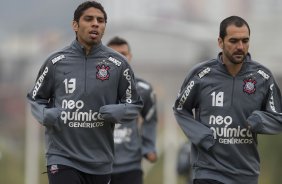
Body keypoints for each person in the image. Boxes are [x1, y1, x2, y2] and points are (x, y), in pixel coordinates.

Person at [26, 1, 143, 184]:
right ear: (75, 25)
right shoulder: (55, 62)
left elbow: (134, 104)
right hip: (62, 156)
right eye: (89, 19)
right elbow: (35, 98)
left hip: (100, 161)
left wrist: (118, 111)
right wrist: (45, 114)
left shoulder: (119, 64)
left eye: (100, 20)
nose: (95, 23)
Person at [173, 15, 282, 184]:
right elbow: (180, 109)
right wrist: (202, 136)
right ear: (220, 42)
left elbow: (278, 117)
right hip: (208, 171)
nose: (240, 46)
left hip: (246, 173)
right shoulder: (201, 74)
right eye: (234, 41)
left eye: (245, 41)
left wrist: (259, 121)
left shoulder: (263, 77)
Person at [106, 36, 158, 184]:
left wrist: (149, 147)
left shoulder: (143, 89)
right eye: (114, 54)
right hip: (99, 164)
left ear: (130, 56)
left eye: (123, 54)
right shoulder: (92, 88)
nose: (120, 58)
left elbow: (150, 117)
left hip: (130, 165)